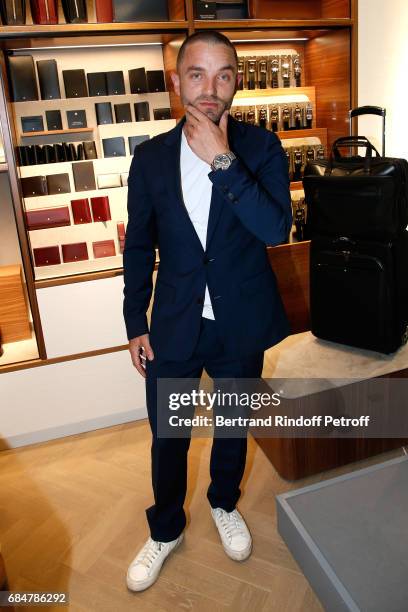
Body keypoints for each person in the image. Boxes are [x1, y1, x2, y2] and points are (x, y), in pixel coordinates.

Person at [123, 31, 292, 592]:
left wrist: (221, 159)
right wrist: (134, 324)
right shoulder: (149, 159)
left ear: (238, 81)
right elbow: (139, 248)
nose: (209, 89)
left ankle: (224, 503)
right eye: (197, 74)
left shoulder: (261, 148)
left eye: (223, 75)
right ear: (177, 81)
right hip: (173, 322)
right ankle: (166, 527)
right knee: (168, 434)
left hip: (239, 320)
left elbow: (274, 229)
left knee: (232, 425)